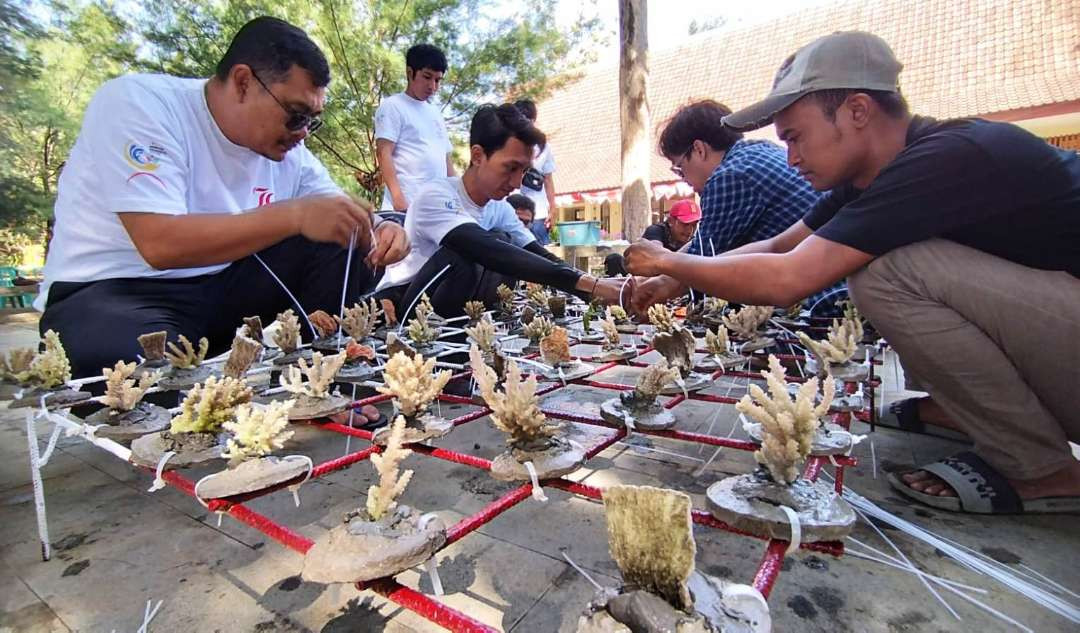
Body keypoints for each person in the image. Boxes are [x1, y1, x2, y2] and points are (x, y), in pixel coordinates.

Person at [625, 31, 1080, 514]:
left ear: (858, 111)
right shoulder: (875, 177)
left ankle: (1043, 469)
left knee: (888, 274)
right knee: (887, 267)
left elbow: (788, 278)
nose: (792, 157)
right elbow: (782, 245)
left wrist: (667, 259)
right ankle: (966, 411)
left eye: (796, 138)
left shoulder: (948, 156)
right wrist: (676, 278)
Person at [37, 16, 409, 378]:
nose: (303, 133)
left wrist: (381, 227)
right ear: (244, 82)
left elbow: (335, 210)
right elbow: (159, 245)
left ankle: (317, 376)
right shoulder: (140, 104)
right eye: (295, 115)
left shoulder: (289, 151)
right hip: (115, 292)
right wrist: (294, 215)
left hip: (223, 290)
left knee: (342, 237)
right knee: (148, 381)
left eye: (312, 120)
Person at [375, 103, 627, 320]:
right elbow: (489, 251)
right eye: (510, 168)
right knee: (478, 250)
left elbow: (537, 255)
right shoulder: (436, 196)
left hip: (461, 302)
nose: (517, 183)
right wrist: (591, 283)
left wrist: (595, 292)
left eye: (524, 172)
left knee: (505, 240)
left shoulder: (500, 208)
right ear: (477, 156)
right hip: (405, 304)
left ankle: (478, 331)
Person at [657, 99, 845, 314]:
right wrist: (664, 270)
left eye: (680, 169)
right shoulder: (757, 152)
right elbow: (702, 247)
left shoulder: (730, 176)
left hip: (823, 303)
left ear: (699, 150)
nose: (685, 180)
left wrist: (662, 272)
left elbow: (702, 266)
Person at [375, 44, 455, 211]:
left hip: (437, 209)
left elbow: (446, 160)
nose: (432, 86)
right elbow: (384, 153)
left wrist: (458, 196)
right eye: (427, 77)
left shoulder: (435, 113)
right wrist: (398, 200)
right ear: (410, 73)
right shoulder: (393, 106)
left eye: (438, 80)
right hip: (405, 207)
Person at [604, 200, 700, 276]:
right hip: (645, 277)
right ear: (671, 221)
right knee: (614, 259)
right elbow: (655, 254)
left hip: (669, 283)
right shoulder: (656, 231)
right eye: (685, 224)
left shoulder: (694, 241)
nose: (690, 230)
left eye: (694, 225)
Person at [513, 99, 556, 244]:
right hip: (512, 209)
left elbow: (548, 179)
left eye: (528, 119)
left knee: (541, 254)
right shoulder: (508, 144)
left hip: (538, 212)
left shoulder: (544, 147)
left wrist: (553, 209)